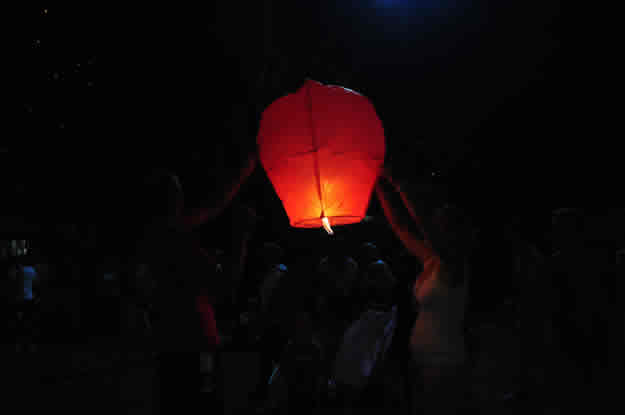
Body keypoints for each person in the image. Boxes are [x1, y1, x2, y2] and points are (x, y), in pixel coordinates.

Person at [135, 151, 257, 413]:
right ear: (172, 200)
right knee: (202, 403)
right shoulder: (177, 241)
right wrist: (241, 240)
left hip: (169, 345)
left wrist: (239, 177)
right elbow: (226, 286)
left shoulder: (154, 238)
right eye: (177, 192)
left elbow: (214, 207)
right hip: (196, 344)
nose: (183, 199)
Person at [375, 166, 478, 414]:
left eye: (444, 226)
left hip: (444, 363)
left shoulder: (456, 267)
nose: (437, 229)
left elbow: (423, 226)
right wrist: (377, 184)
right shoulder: (433, 261)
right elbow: (400, 227)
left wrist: (399, 185)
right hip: (422, 360)